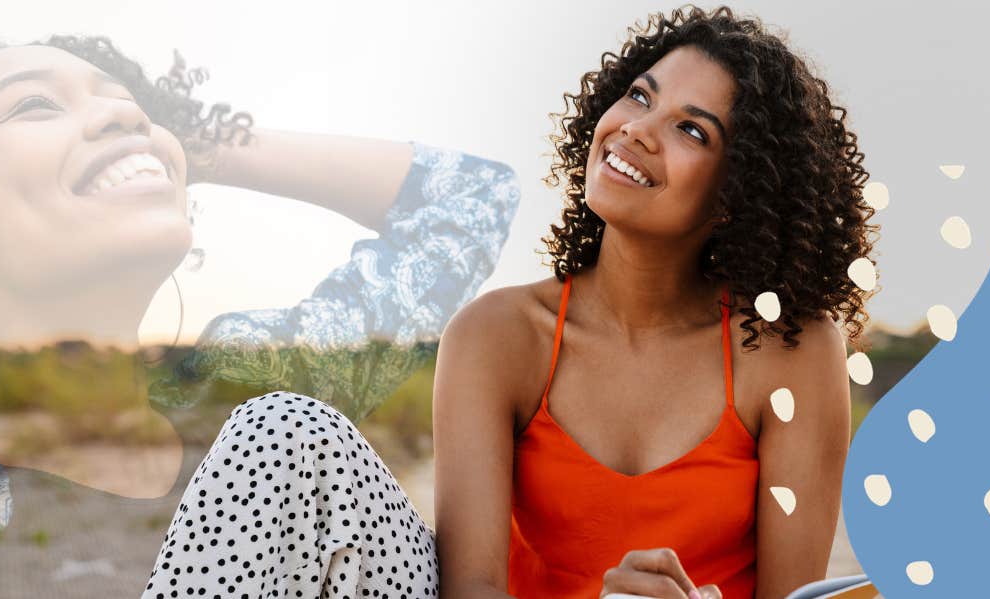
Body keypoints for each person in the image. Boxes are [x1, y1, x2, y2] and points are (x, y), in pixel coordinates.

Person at [142, 5, 877, 599]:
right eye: (640, 95)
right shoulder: (500, 335)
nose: (638, 131)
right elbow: (471, 586)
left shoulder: (789, 350)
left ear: (738, 192)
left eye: (691, 129)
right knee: (282, 427)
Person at [0, 22, 518, 598]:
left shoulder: (250, 391)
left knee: (283, 427)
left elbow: (472, 196)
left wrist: (184, 142)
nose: (130, 116)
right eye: (34, 105)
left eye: (133, 105)